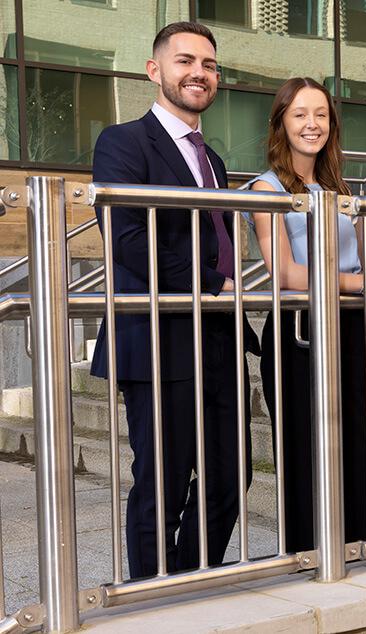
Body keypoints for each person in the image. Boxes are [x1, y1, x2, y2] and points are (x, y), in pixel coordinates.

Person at [90, 22, 258, 578]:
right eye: (185, 61)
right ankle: (150, 595)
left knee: (232, 479)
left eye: (209, 65)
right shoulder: (122, 141)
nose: (199, 73)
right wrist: (214, 281)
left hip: (216, 337)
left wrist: (223, 291)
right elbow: (128, 237)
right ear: (154, 70)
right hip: (160, 341)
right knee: (162, 482)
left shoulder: (211, 157)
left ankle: (191, 579)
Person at [245, 77, 366, 549]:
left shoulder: (336, 185)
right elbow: (286, 273)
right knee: (305, 445)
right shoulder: (266, 188)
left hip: (352, 326)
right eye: (300, 115)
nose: (312, 124)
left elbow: (352, 254)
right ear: (280, 123)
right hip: (299, 331)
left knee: (358, 442)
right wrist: (361, 282)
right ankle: (309, 555)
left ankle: (356, 546)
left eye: (321, 115)